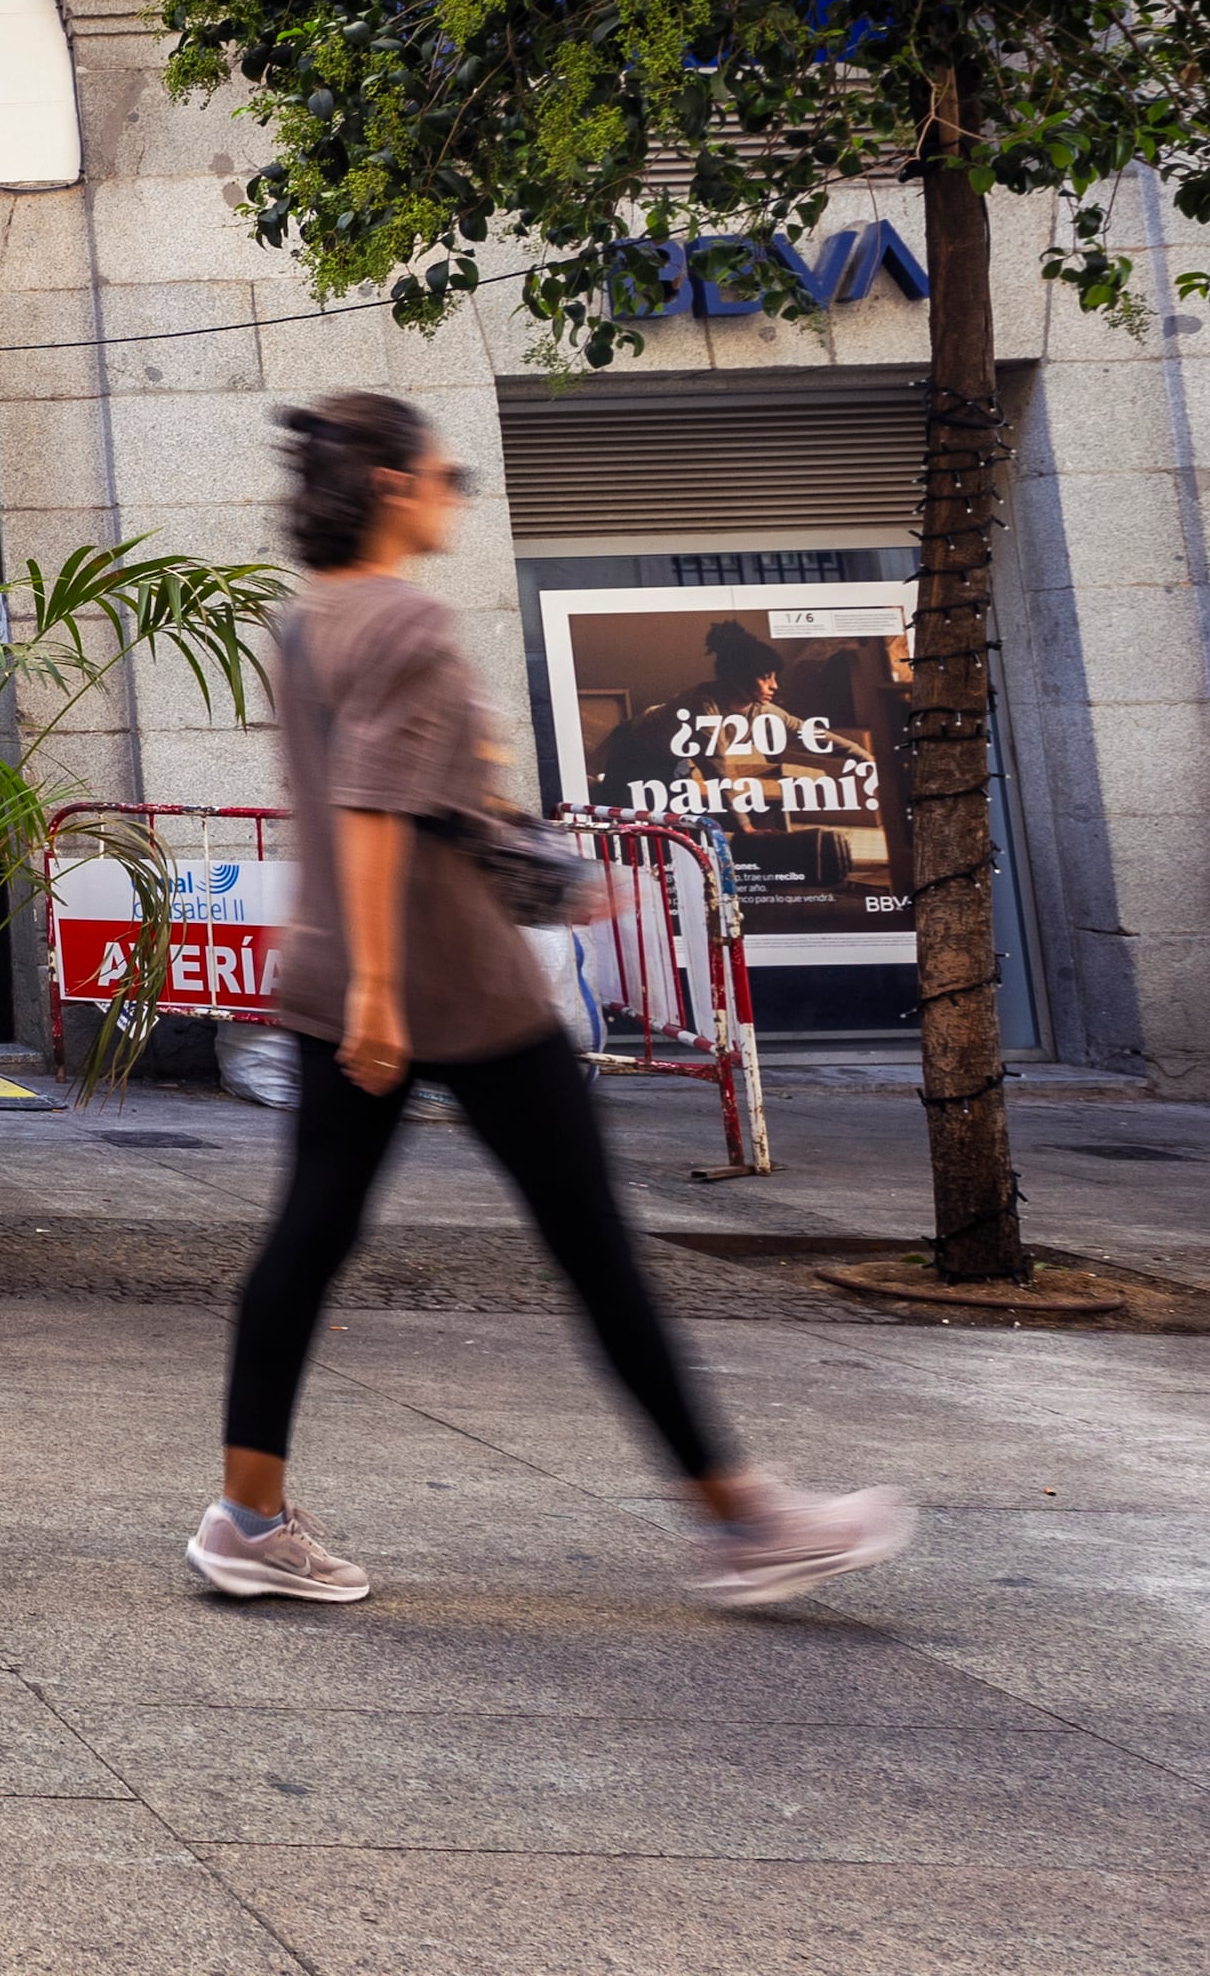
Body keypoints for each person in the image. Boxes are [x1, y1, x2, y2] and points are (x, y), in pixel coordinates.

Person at [191, 394, 908, 1614]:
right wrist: (379, 991)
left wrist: (529, 870)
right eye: (444, 474)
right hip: (447, 991)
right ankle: (743, 1522)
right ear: (387, 489)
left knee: (307, 1239)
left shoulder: (307, 623)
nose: (456, 494)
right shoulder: (407, 618)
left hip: (338, 974)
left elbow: (412, 806)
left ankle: (247, 1518)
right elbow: (369, 809)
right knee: (590, 1248)